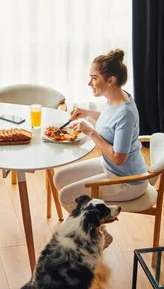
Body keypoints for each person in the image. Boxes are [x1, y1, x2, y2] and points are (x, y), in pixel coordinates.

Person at [54, 49, 148, 242]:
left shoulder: (125, 113)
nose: (89, 83)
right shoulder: (116, 98)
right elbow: (111, 123)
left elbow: (118, 158)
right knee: (60, 178)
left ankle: (98, 237)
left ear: (111, 80)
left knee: (66, 196)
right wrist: (88, 113)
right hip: (110, 167)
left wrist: (91, 132)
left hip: (128, 179)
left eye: (94, 78)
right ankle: (94, 228)